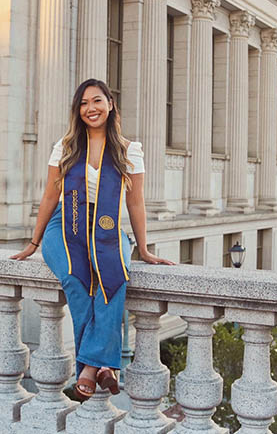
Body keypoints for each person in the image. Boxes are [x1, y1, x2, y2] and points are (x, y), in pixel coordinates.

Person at [10, 78, 173, 400]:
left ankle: (88, 367)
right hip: (65, 224)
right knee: (75, 279)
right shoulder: (67, 146)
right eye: (83, 104)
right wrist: (34, 242)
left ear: (110, 104)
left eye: (96, 101)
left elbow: (135, 202)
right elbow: (49, 196)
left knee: (114, 279)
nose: (90, 109)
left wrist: (143, 248)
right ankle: (102, 364)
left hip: (108, 227)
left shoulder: (129, 151)